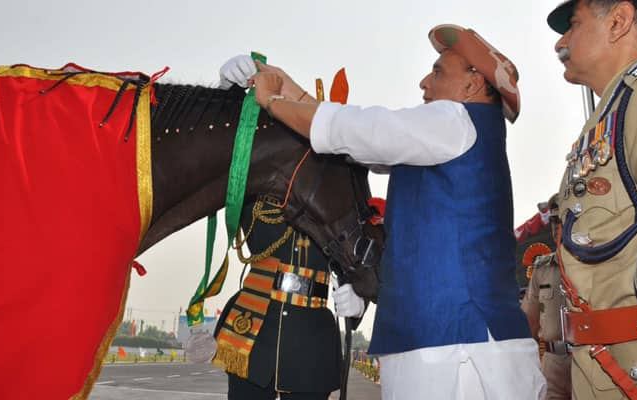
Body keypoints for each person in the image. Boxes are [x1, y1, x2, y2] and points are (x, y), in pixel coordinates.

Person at [220, 23, 545, 399]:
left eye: (438, 71)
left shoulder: (454, 121)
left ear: (472, 85)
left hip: (457, 345)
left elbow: (353, 130)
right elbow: (346, 132)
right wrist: (282, 83)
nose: (424, 82)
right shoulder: (449, 135)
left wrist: (273, 101)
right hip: (442, 343)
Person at [546, 0, 637, 398]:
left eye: (573, 24)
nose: (562, 40)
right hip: (609, 369)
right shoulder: (615, 108)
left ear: (619, 21)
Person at [212, 199, 362, 399]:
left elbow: (367, 240)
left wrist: (361, 296)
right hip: (254, 326)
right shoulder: (254, 175)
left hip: (311, 337)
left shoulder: (340, 179)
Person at [520, 201, 572, 400]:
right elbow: (529, 322)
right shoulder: (542, 269)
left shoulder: (595, 263)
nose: (556, 227)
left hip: (587, 357)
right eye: (553, 221)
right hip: (552, 362)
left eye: (562, 220)